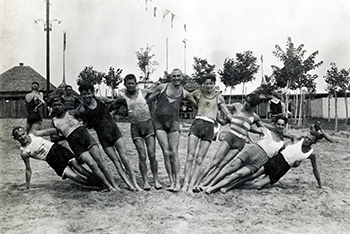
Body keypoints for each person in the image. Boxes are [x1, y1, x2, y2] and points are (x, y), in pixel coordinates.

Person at [39, 97, 119, 192]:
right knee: (91, 164)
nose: (57, 107)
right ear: (51, 107)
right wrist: (66, 135)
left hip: (86, 137)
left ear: (63, 105)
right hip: (75, 144)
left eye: (59, 104)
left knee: (100, 161)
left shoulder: (71, 113)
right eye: (54, 105)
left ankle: (114, 184)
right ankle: (108, 186)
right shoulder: (54, 121)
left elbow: (87, 117)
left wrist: (83, 127)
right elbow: (53, 138)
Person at [77, 83, 142, 191]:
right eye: (84, 94)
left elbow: (116, 101)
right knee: (116, 162)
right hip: (103, 137)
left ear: (92, 93)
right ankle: (129, 185)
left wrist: (116, 111)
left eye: (88, 93)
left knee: (125, 158)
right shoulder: (82, 109)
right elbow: (86, 123)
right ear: (81, 95)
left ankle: (135, 184)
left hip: (114, 132)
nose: (86, 96)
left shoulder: (100, 100)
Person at [204, 116, 292, 194]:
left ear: (285, 126)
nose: (280, 126)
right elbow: (251, 127)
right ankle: (209, 185)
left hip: (260, 161)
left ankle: (213, 188)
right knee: (229, 169)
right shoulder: (266, 131)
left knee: (237, 175)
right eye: (278, 124)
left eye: (282, 125)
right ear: (275, 124)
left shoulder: (282, 144)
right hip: (251, 152)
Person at [197, 93, 264, 189]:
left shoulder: (255, 117)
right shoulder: (237, 106)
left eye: (250, 103)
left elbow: (261, 128)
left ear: (254, 105)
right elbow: (220, 106)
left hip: (240, 143)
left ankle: (204, 185)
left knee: (221, 165)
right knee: (215, 162)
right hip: (230, 137)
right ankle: (196, 182)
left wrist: (262, 131)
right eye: (246, 100)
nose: (246, 103)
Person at [147, 68, 198, 192]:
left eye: (179, 76)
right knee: (166, 152)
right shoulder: (162, 87)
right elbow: (148, 99)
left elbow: (197, 105)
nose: (176, 78)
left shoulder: (184, 93)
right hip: (158, 122)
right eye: (174, 76)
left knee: (174, 152)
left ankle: (177, 182)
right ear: (171, 77)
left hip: (173, 123)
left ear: (182, 77)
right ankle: (171, 181)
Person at [181, 74, 233, 193]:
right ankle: (185, 184)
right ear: (203, 84)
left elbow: (225, 113)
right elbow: (187, 95)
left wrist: (230, 120)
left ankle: (191, 186)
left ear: (214, 84)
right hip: (197, 124)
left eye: (211, 83)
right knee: (190, 156)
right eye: (206, 83)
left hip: (209, 127)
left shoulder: (219, 97)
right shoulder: (198, 93)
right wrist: (195, 104)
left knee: (199, 159)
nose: (209, 86)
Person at [109, 74, 162, 190]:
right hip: (135, 127)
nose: (130, 85)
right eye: (128, 84)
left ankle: (156, 180)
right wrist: (117, 112)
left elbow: (157, 90)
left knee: (152, 154)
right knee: (142, 155)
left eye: (132, 83)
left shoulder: (144, 92)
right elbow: (112, 105)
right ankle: (145, 181)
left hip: (148, 125)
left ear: (136, 83)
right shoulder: (123, 98)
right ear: (125, 85)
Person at [12, 126, 97, 189]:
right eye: (19, 136)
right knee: (77, 178)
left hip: (58, 149)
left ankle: (103, 183)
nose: (22, 137)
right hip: (52, 160)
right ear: (16, 139)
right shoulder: (24, 152)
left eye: (23, 134)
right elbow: (28, 169)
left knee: (81, 169)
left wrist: (57, 139)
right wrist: (27, 185)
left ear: (25, 132)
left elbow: (54, 130)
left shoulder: (35, 134)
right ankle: (97, 185)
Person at [239, 132, 322, 191]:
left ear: (313, 142)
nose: (307, 140)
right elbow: (282, 133)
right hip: (277, 159)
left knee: (258, 185)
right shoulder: (298, 139)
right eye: (306, 137)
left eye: (310, 139)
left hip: (283, 168)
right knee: (254, 175)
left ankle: (239, 186)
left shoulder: (311, 154)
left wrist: (320, 184)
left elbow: (315, 169)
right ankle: (233, 185)